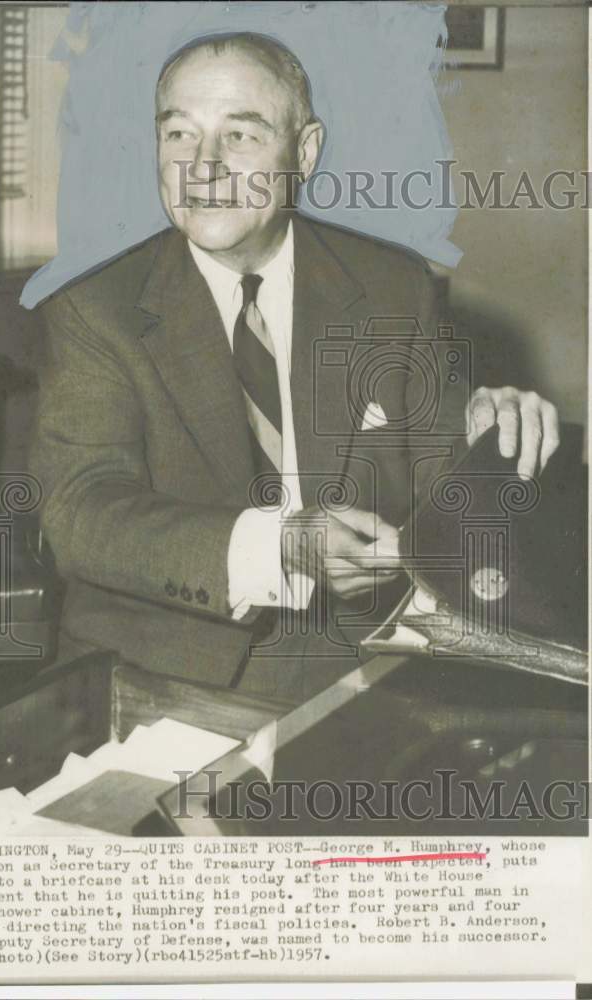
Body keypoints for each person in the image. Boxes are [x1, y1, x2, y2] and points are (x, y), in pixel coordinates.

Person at [31, 32, 559, 703]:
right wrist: (280, 545)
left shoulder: (393, 287)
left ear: (304, 152)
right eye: (179, 135)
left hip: (359, 664)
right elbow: (80, 511)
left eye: (242, 135)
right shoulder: (92, 307)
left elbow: (441, 489)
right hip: (153, 674)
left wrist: (495, 440)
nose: (204, 167)